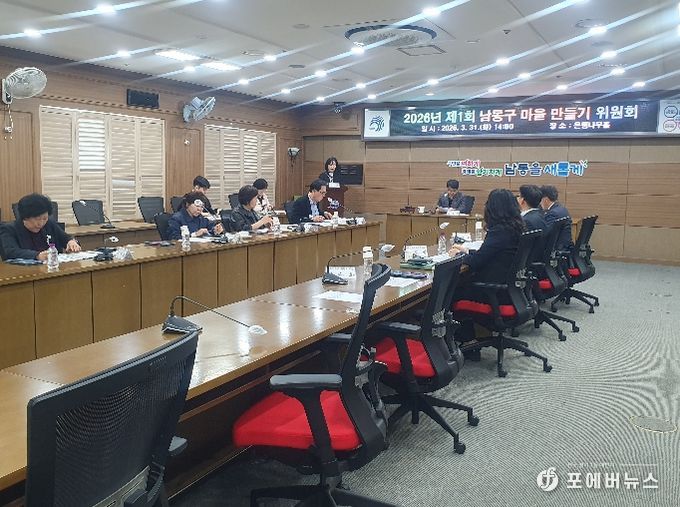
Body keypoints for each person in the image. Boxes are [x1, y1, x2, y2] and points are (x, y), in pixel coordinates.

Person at [449, 189, 525, 353]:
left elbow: (476, 262)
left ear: (493, 209)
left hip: (493, 293)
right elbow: (491, 254)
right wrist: (467, 251)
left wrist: (457, 257)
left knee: (450, 291)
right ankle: (469, 341)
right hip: (512, 292)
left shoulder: (499, 231)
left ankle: (464, 341)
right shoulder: (516, 228)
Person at [0, 193, 81, 260]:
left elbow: (65, 238)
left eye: (45, 218)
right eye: (37, 219)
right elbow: (10, 252)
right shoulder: (9, 229)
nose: (41, 223)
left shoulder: (49, 223)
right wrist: (37, 255)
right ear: (25, 217)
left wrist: (71, 242)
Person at [517, 184, 547, 263]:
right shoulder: (540, 215)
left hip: (528, 262)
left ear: (522, 200)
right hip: (539, 260)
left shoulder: (526, 221)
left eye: (518, 196)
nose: (517, 199)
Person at [540, 185, 573, 251]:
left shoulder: (553, 214)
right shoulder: (562, 209)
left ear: (545, 200)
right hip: (565, 246)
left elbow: (545, 235)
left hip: (558, 249)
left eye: (540, 200)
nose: (539, 203)